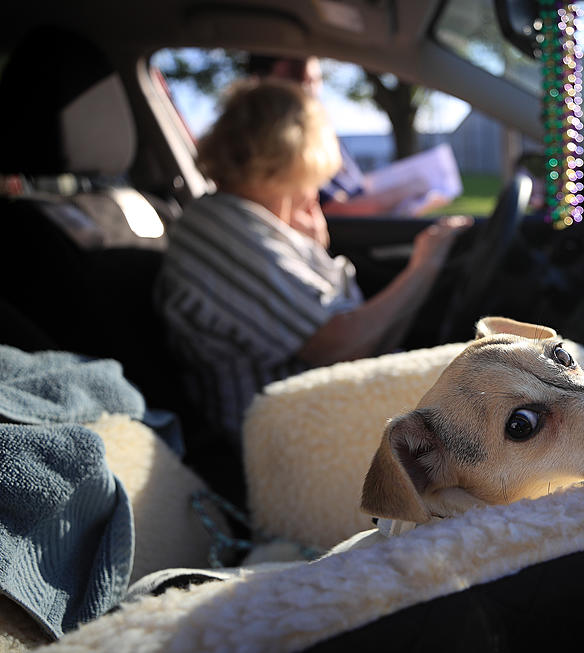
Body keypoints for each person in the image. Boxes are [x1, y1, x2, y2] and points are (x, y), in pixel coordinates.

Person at [154, 78, 471, 447]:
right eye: (311, 179)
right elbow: (339, 346)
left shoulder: (252, 224)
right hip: (281, 442)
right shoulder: (222, 230)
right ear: (290, 159)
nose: (314, 193)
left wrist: (315, 247)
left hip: (317, 410)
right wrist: (424, 267)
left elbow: (359, 340)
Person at [245, 54, 399, 216]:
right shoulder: (282, 144)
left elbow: (355, 187)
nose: (308, 90)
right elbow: (335, 209)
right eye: (293, 79)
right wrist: (409, 188)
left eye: (314, 80)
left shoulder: (325, 137)